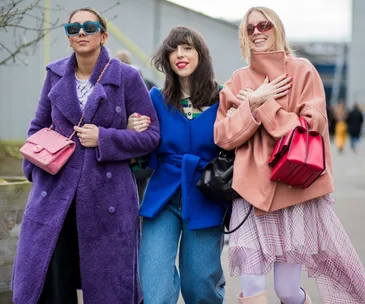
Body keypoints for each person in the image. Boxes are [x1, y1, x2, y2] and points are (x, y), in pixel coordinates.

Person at [214, 6, 365, 304]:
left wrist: (265, 106)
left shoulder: (303, 70)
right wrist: (252, 103)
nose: (257, 32)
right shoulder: (238, 80)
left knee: (286, 290)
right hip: (249, 192)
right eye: (250, 28)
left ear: (278, 28)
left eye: (264, 25)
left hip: (292, 188)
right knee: (253, 285)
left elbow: (312, 126)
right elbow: (223, 135)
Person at [12, 7, 160, 304]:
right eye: (73, 29)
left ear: (103, 35)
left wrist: (104, 138)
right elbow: (37, 127)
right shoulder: (55, 74)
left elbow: (151, 135)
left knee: (107, 287)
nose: (81, 33)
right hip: (55, 194)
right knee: (52, 278)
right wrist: (35, 170)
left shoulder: (127, 77)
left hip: (107, 197)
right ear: (68, 38)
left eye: (89, 27)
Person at [128, 26, 229, 303]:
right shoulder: (156, 99)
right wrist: (130, 129)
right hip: (163, 198)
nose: (179, 55)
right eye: (173, 50)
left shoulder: (224, 98)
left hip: (206, 197)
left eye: (187, 48)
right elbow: (142, 145)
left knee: (200, 287)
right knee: (154, 289)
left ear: (201, 55)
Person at [116, 49, 155, 202]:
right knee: (138, 194)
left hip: (126, 149)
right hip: (142, 150)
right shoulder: (147, 83)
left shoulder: (119, 83)